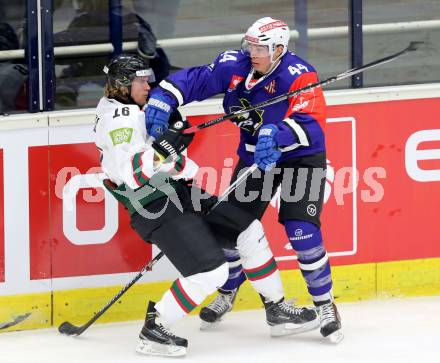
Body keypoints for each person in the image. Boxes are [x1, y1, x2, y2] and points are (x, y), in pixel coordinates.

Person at [94, 54, 319, 357]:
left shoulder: (133, 108)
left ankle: (276, 310)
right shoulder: (118, 120)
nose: (148, 84)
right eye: (141, 80)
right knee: (212, 272)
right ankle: (156, 328)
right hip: (154, 205)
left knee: (247, 229)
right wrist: (165, 150)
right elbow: (131, 175)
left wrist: (174, 146)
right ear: (122, 85)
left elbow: (178, 166)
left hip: (178, 194)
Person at [144, 17, 343, 344]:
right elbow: (198, 79)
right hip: (255, 162)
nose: (252, 52)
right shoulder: (234, 66)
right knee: (228, 229)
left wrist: (275, 134)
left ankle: (325, 305)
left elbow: (311, 124)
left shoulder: (299, 75)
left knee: (301, 231)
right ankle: (227, 291)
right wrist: (166, 95)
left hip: (301, 160)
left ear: (279, 49)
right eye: (249, 44)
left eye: (260, 47)